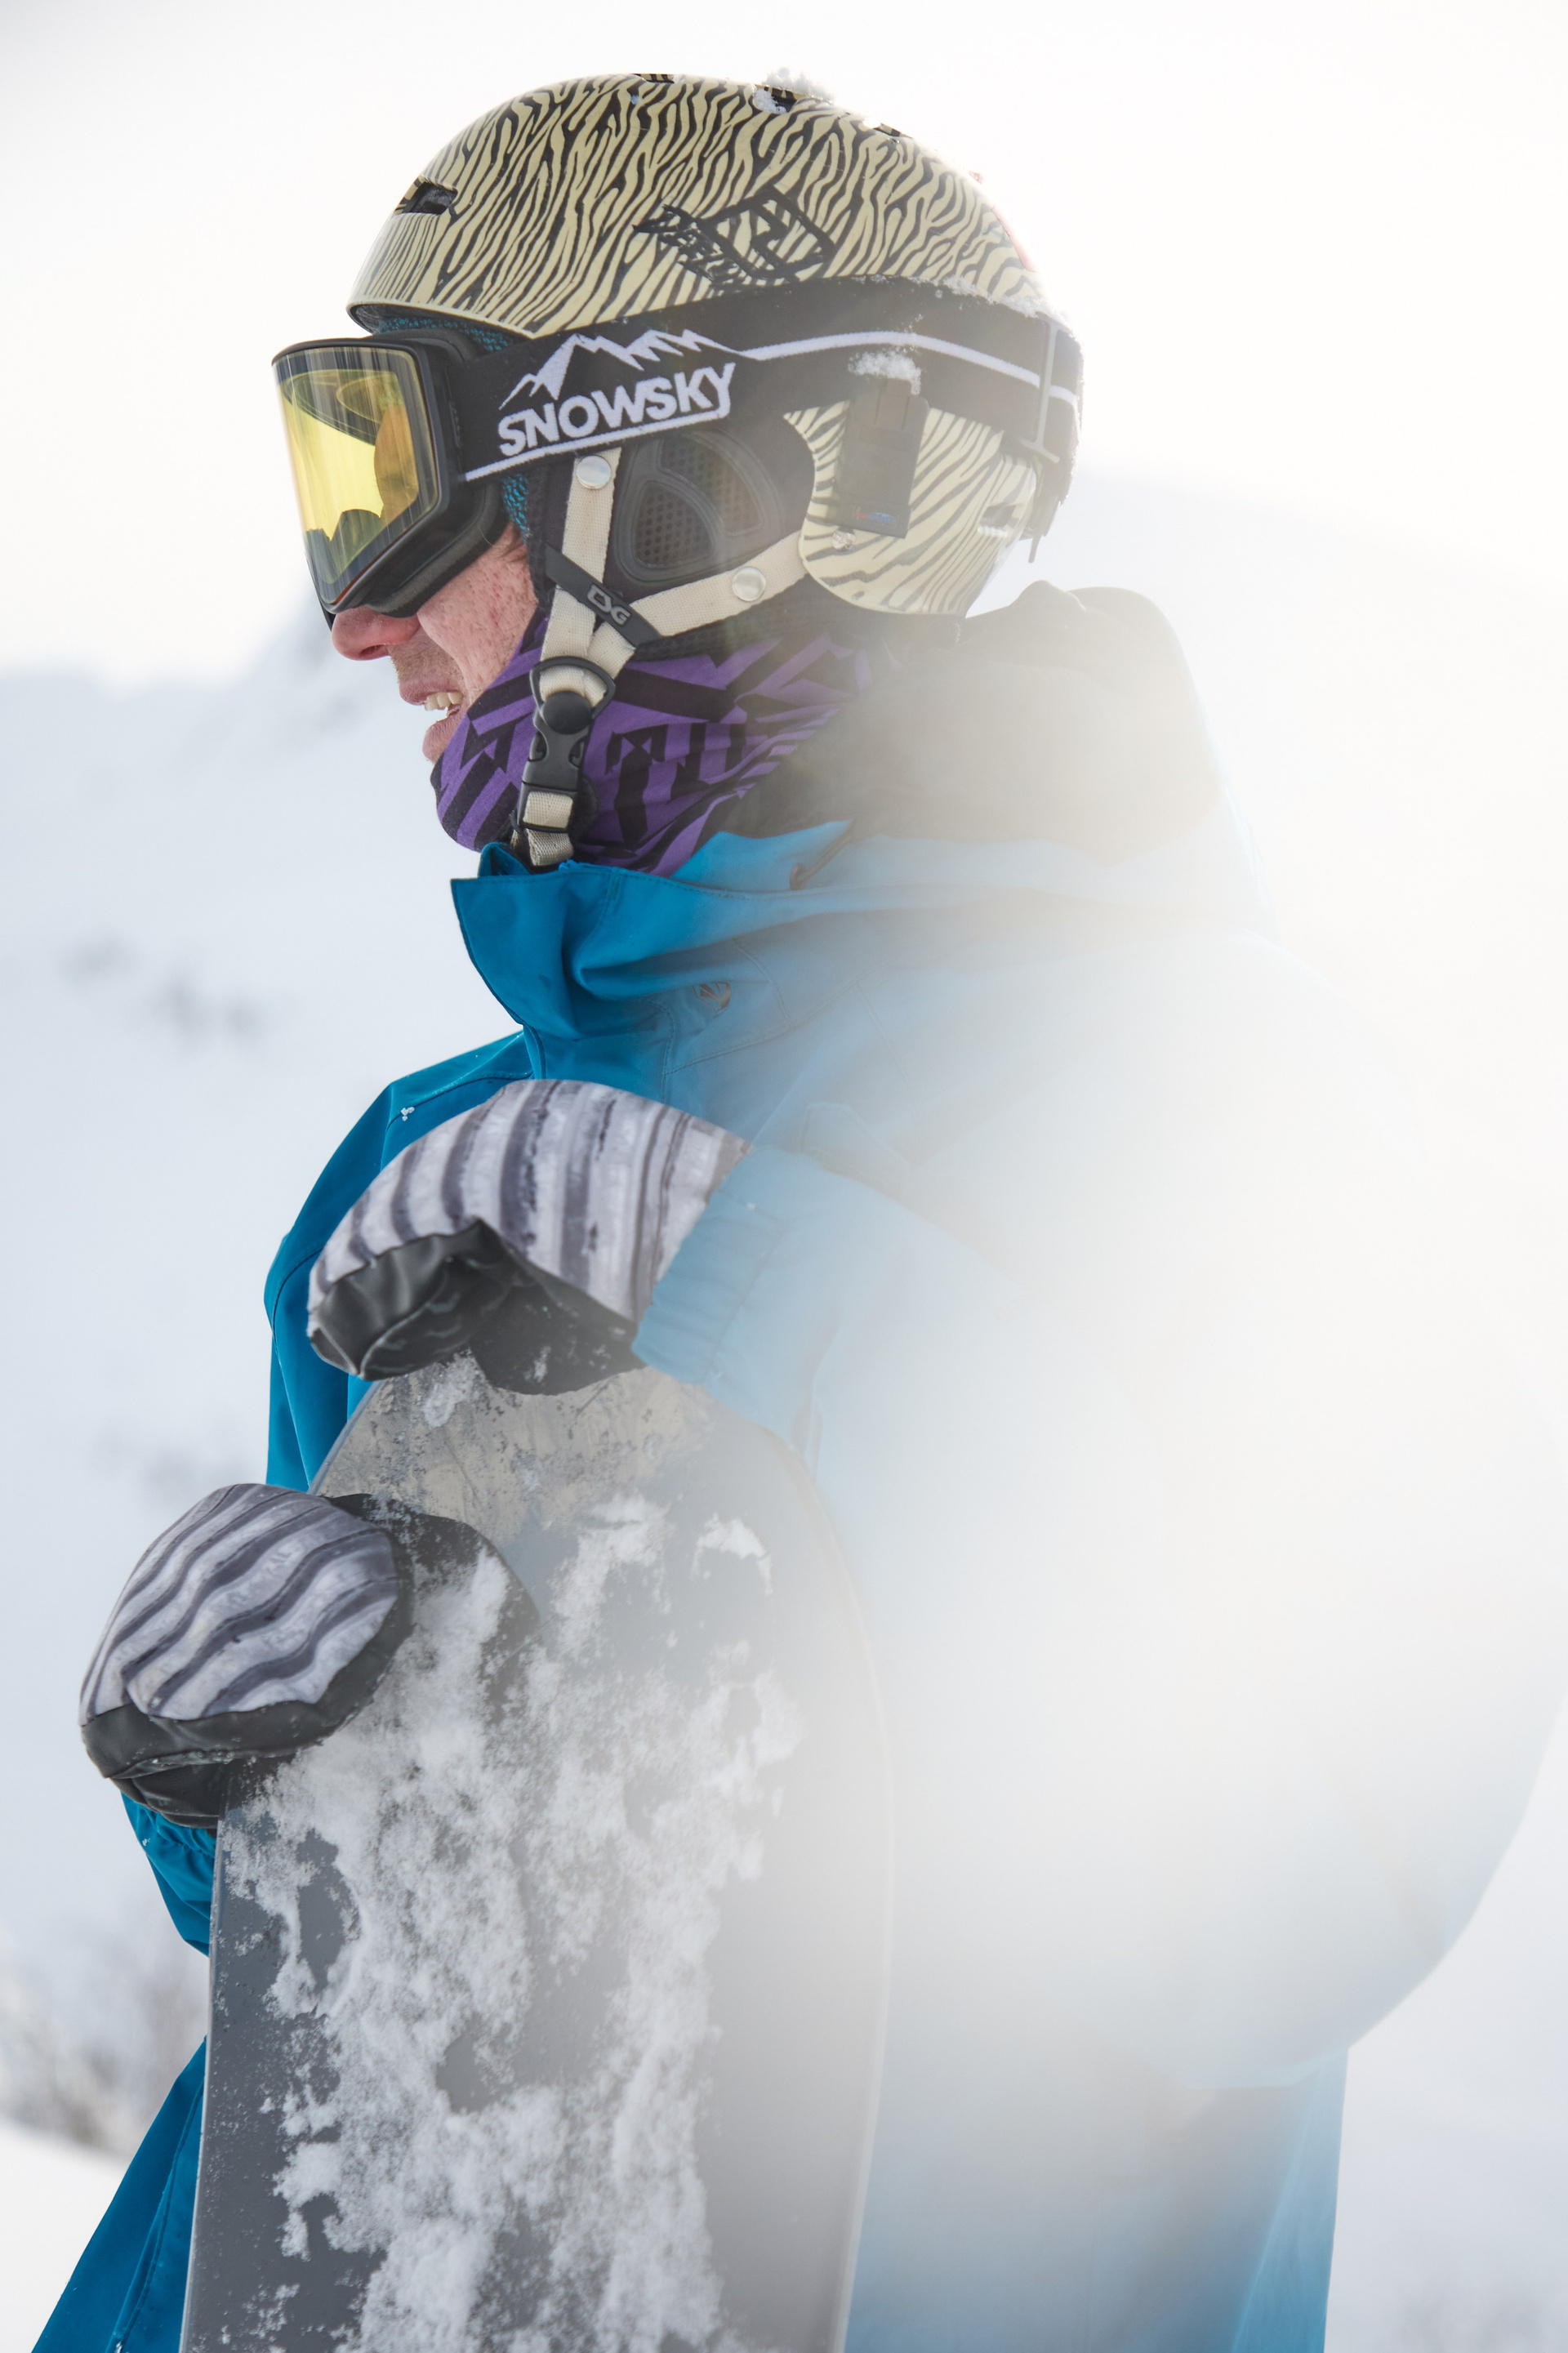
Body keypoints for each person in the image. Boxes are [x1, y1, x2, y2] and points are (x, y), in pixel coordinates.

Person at [42, 72, 1568, 2353]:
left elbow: (1297, 1885)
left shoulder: (1241, 1124)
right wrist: (222, 1777)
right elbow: (373, 1999)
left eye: (396, 469)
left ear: (694, 492)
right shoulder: (435, 1170)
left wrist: (770, 1280)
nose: (363, 622)